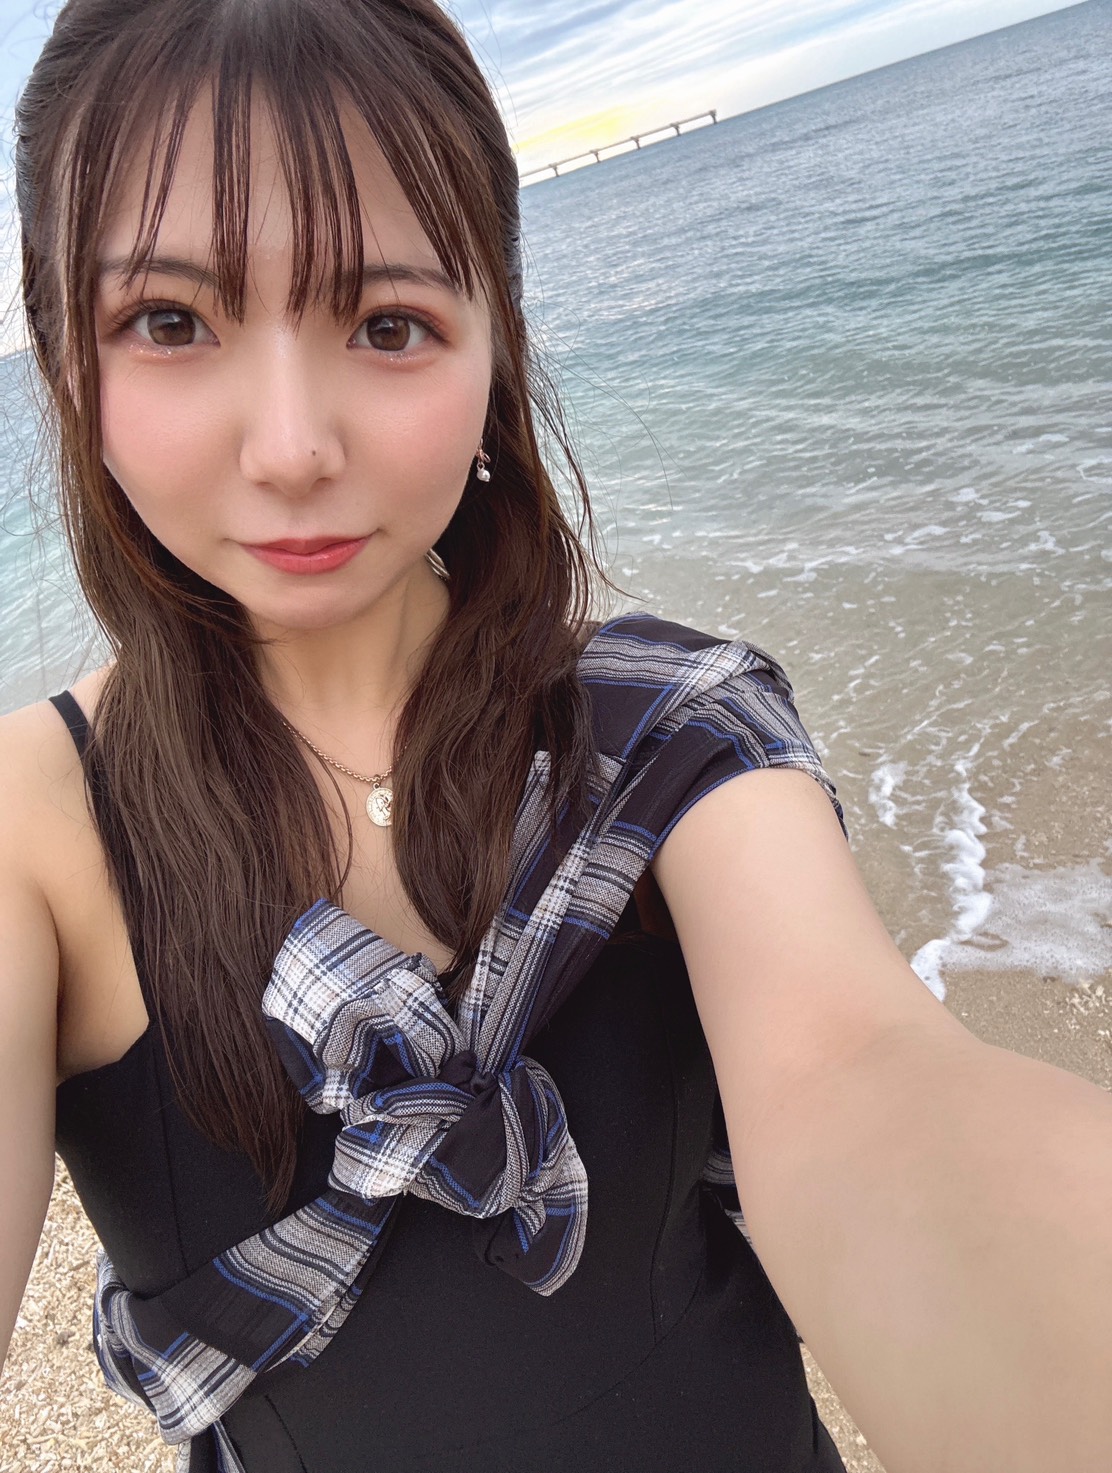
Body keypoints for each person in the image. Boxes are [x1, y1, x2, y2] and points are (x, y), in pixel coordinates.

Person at [3, 1, 1111, 1471]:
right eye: (171, 323)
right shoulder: (34, 831)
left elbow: (870, 1088)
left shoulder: (671, 733)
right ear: (63, 353)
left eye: (387, 325)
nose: (290, 447)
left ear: (495, 344)